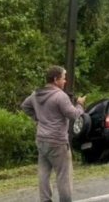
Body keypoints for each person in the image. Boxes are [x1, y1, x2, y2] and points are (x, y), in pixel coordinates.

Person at [21, 66, 86, 202]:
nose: (65, 81)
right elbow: (74, 115)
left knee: (43, 174)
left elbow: (25, 106)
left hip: (41, 139)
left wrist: (37, 117)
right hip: (58, 142)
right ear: (56, 80)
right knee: (63, 176)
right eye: (63, 78)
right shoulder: (60, 96)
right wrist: (79, 104)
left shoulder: (36, 94)